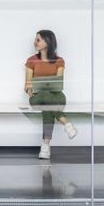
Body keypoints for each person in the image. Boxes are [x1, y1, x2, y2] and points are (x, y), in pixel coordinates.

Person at [24, 29, 77, 161]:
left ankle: (45, 147)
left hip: (56, 96)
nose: (34, 42)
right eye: (35, 39)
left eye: (38, 39)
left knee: (48, 106)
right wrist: (30, 91)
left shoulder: (59, 61)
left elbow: (58, 84)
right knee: (46, 98)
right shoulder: (31, 60)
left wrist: (48, 89)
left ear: (47, 42)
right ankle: (66, 123)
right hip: (37, 98)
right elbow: (27, 85)